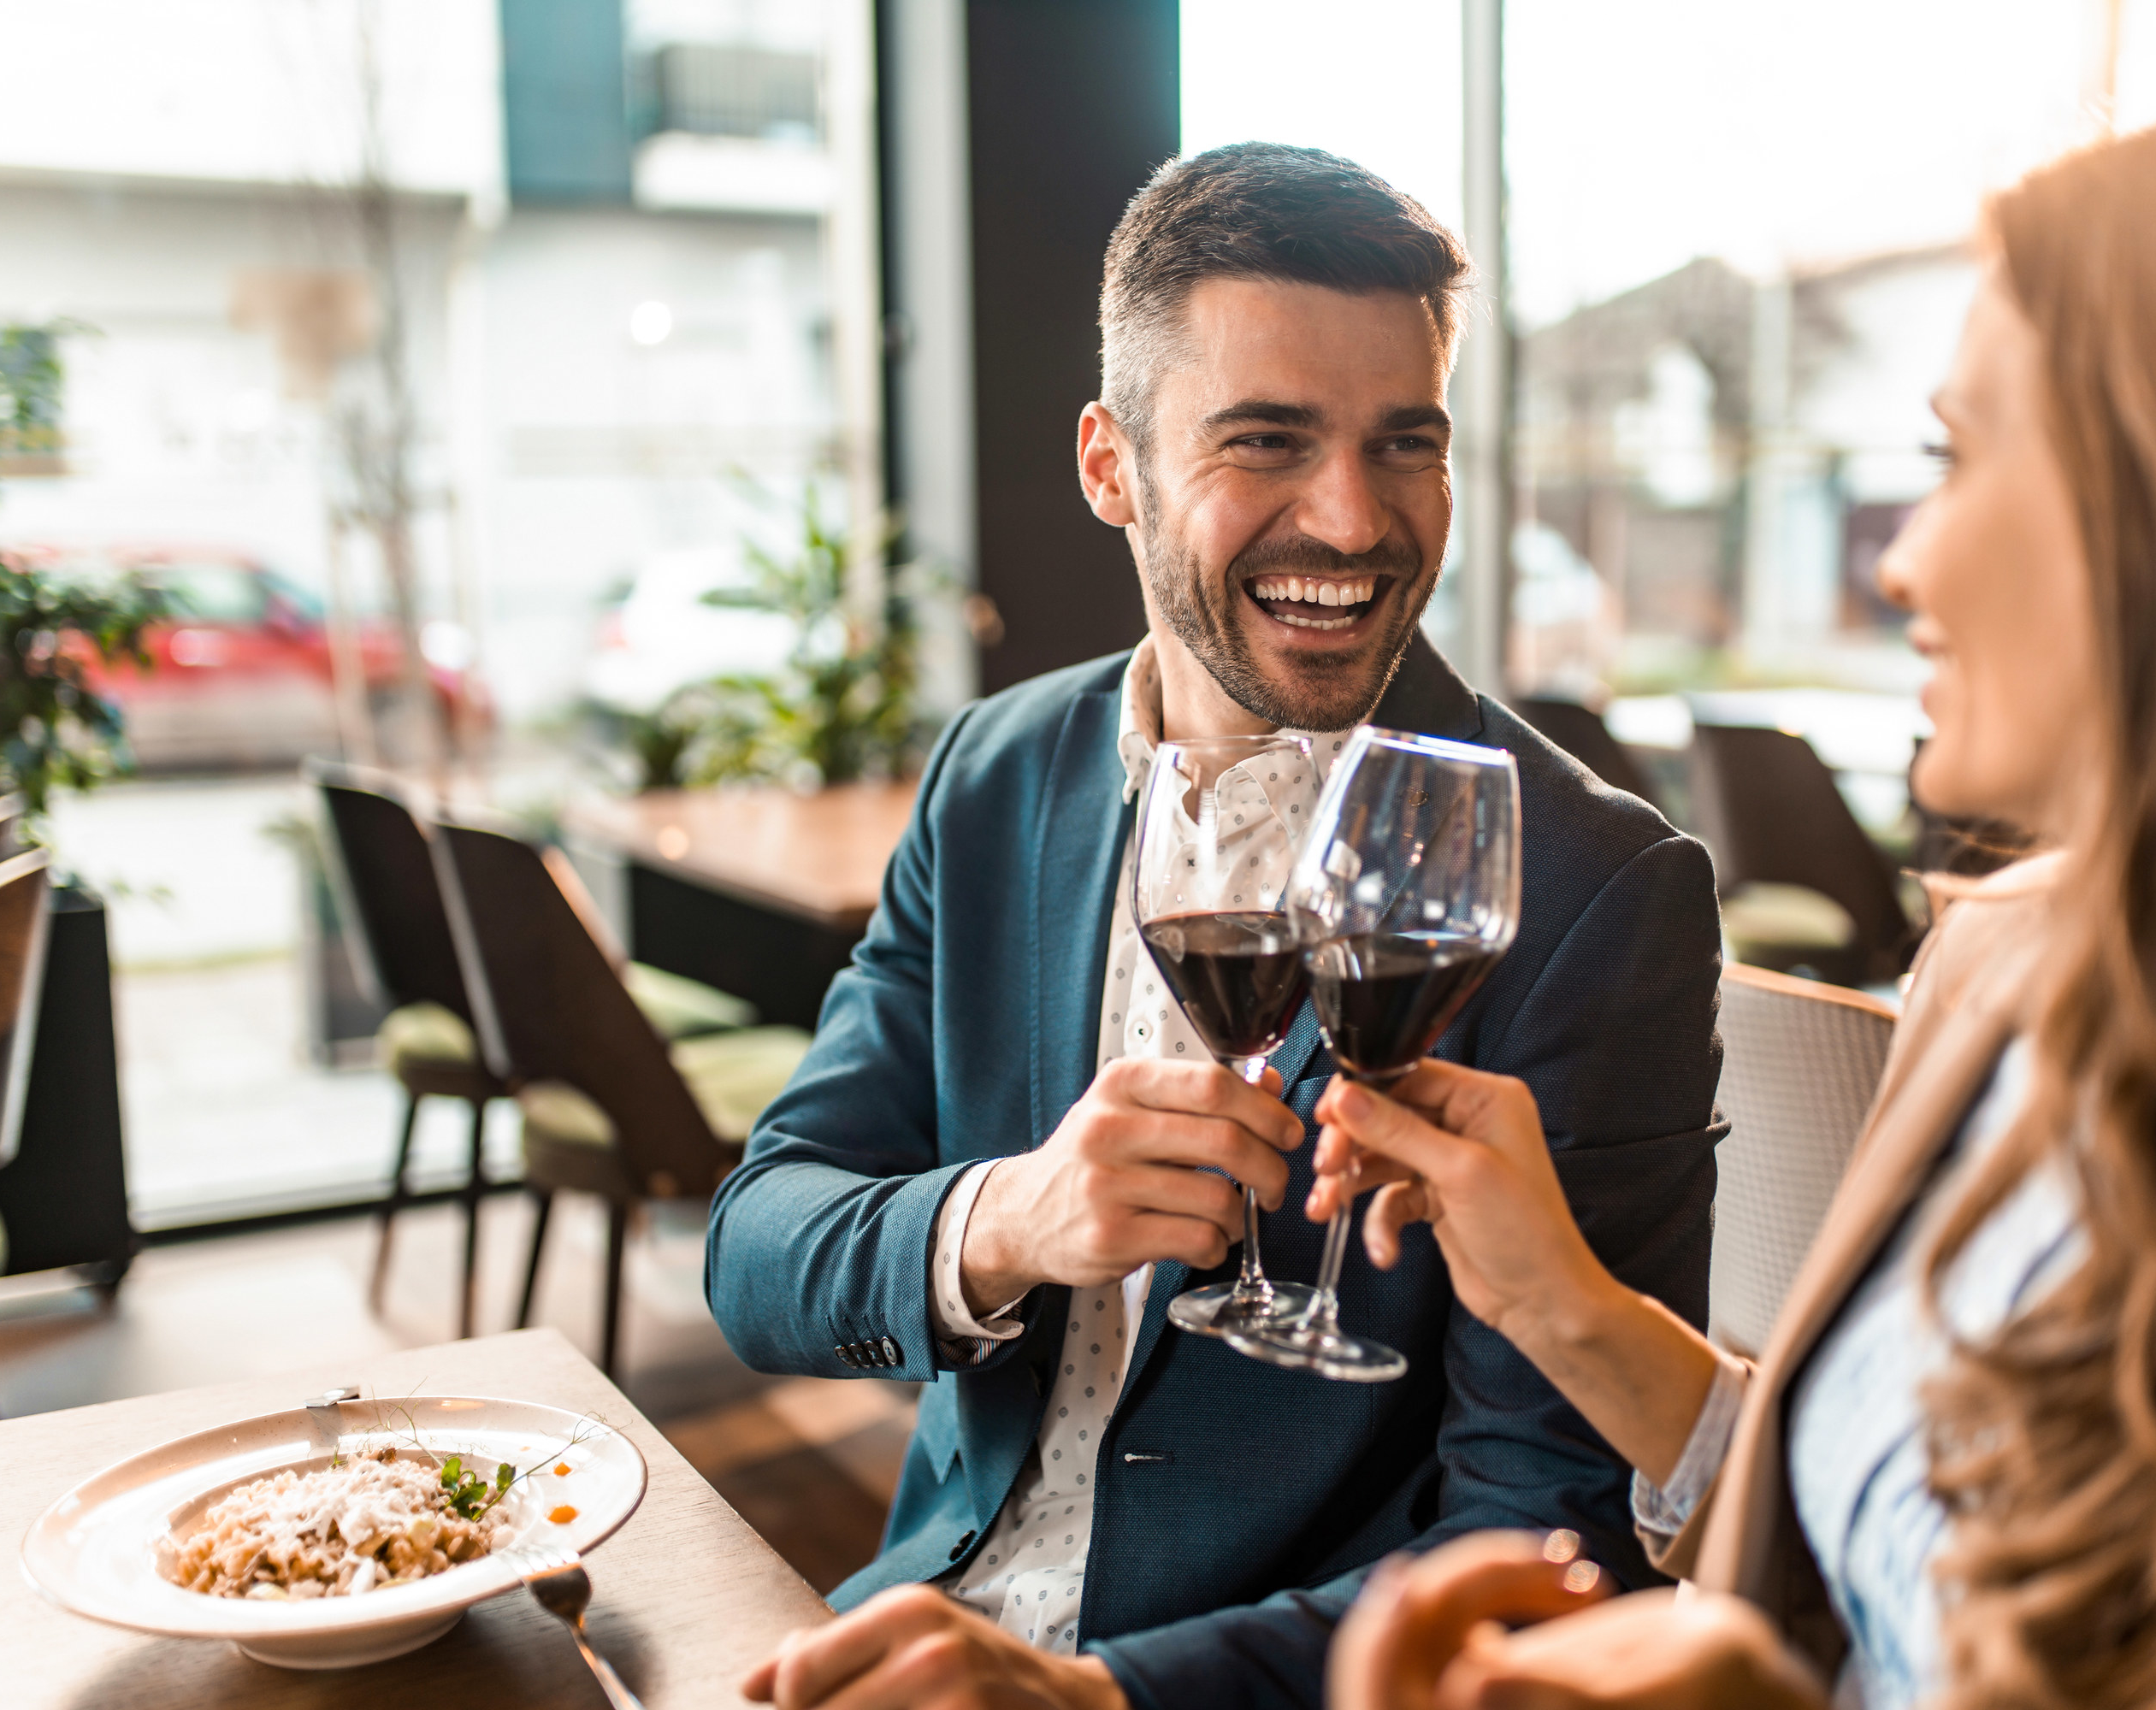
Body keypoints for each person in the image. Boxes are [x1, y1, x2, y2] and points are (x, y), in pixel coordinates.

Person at [1313, 61, 2156, 1710]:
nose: (1904, 559)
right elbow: (1876, 1541)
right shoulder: (2004, 974)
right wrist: (1557, 1302)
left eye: (1967, 455)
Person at [706, 143, 1728, 1710]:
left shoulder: (1598, 892)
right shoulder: (997, 774)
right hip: (910, 1617)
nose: (1354, 519)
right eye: (1269, 440)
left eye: (1406, 444)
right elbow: (762, 1248)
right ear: (1112, 466)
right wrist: (1007, 1221)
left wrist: (1093, 1698)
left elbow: (1547, 1545)